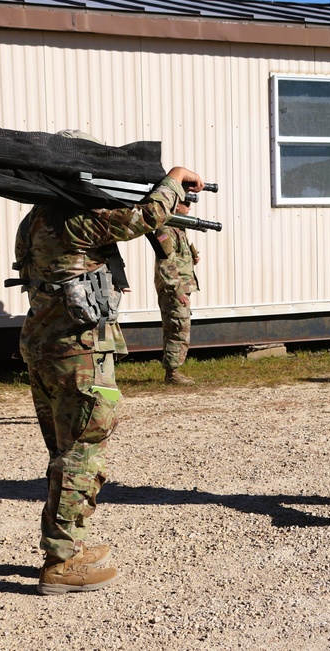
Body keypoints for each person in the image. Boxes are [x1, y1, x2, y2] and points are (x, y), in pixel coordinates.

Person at [14, 129, 204, 594]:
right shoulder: (75, 217)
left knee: (65, 452)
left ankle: (69, 546)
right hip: (77, 350)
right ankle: (61, 563)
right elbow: (144, 217)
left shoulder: (36, 216)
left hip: (43, 343)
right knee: (82, 451)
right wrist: (174, 178)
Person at [152, 200, 200, 385]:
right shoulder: (165, 230)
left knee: (180, 326)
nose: (189, 207)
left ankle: (173, 371)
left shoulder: (177, 227)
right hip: (174, 289)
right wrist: (176, 289)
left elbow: (178, 256)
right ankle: (172, 373)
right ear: (175, 205)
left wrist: (192, 256)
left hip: (182, 286)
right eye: (186, 203)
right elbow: (165, 262)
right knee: (177, 328)